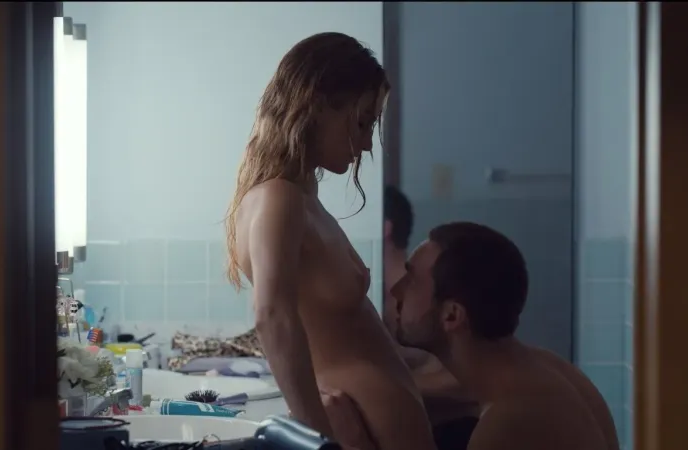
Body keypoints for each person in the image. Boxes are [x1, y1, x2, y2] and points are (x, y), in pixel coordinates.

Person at [224, 32, 437, 450]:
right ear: (316, 106)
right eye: (361, 122)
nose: (367, 143)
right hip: (352, 432)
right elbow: (271, 315)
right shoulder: (278, 198)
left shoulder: (304, 197)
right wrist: (315, 438)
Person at [326, 222, 620, 450]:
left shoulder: (507, 424)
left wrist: (356, 444)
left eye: (411, 280)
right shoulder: (544, 368)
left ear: (452, 315)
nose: (396, 290)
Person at [382, 186, 480, 450]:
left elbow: (473, 379)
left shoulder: (428, 302)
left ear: (384, 227)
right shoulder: (385, 305)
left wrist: (376, 389)